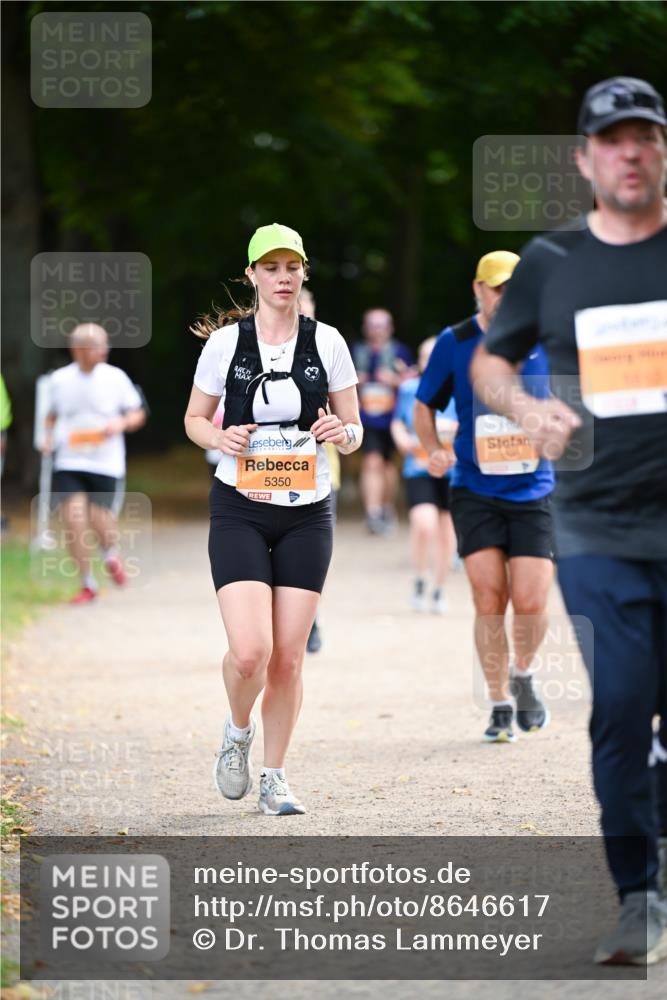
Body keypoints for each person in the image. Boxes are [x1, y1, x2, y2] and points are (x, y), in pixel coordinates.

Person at [470, 77, 667, 964]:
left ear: (660, 153)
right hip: (597, 526)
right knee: (621, 708)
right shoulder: (550, 262)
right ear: (586, 159)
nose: (631, 152)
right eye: (613, 140)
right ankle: (638, 899)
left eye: (646, 138)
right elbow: (489, 364)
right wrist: (522, 408)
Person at [184, 223, 362, 816]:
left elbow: (356, 429)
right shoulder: (226, 346)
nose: (283, 277)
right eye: (272, 267)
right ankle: (237, 734)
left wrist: (343, 431)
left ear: (304, 273)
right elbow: (194, 420)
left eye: (293, 267)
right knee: (250, 653)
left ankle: (275, 775)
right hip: (239, 506)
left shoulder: (329, 342)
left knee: (288, 656)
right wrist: (218, 434)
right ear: (253, 275)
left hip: (308, 511)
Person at [415, 251, 555, 742]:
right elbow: (423, 405)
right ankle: (498, 705)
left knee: (533, 601)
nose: (505, 297)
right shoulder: (455, 343)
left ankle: (523, 674)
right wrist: (432, 449)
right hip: (474, 489)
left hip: (534, 489)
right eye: (497, 288)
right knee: (489, 597)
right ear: (479, 289)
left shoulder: (548, 338)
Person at [42, 323, 146, 604]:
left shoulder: (116, 377)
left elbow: (138, 413)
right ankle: (87, 584)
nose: (104, 351)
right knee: (74, 519)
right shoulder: (60, 380)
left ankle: (110, 554)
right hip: (70, 460)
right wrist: (48, 437)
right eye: (97, 345)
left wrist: (121, 422)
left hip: (106, 463)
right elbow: (50, 415)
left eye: (105, 344)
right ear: (77, 349)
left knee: (101, 521)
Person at [391, 336, 457, 614]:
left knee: (446, 532)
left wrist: (450, 430)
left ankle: (440, 588)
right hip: (418, 467)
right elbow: (398, 422)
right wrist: (402, 439)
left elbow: (469, 423)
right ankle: (419, 577)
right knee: (424, 524)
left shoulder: (459, 389)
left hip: (451, 469)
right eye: (425, 356)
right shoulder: (409, 389)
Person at [298, 287, 341, 654]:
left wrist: (341, 428)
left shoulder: (329, 347)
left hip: (321, 475)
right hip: (263, 473)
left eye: (305, 310)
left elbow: (353, 418)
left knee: (309, 558)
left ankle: (310, 617)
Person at [352, 308, 414, 534]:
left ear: (390, 328)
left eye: (381, 325)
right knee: (372, 462)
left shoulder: (400, 351)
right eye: (372, 325)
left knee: (388, 466)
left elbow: (412, 381)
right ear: (365, 328)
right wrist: (356, 382)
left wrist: (394, 380)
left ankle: (386, 509)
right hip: (367, 418)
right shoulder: (356, 351)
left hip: (393, 419)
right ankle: (373, 513)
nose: (377, 330)